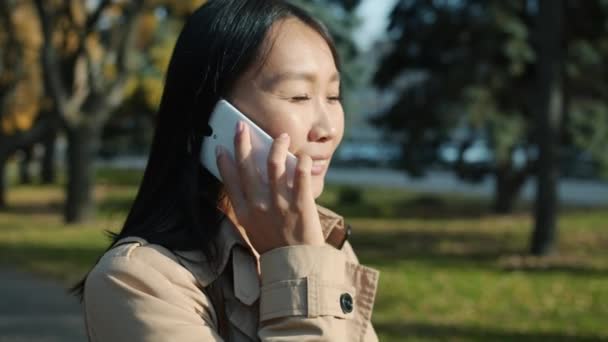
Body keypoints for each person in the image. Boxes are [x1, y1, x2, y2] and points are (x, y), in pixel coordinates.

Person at [76, 0, 380, 340]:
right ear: (214, 115)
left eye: (334, 96)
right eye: (299, 96)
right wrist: (298, 265)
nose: (328, 129)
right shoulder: (135, 281)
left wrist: (303, 252)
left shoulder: (324, 242)